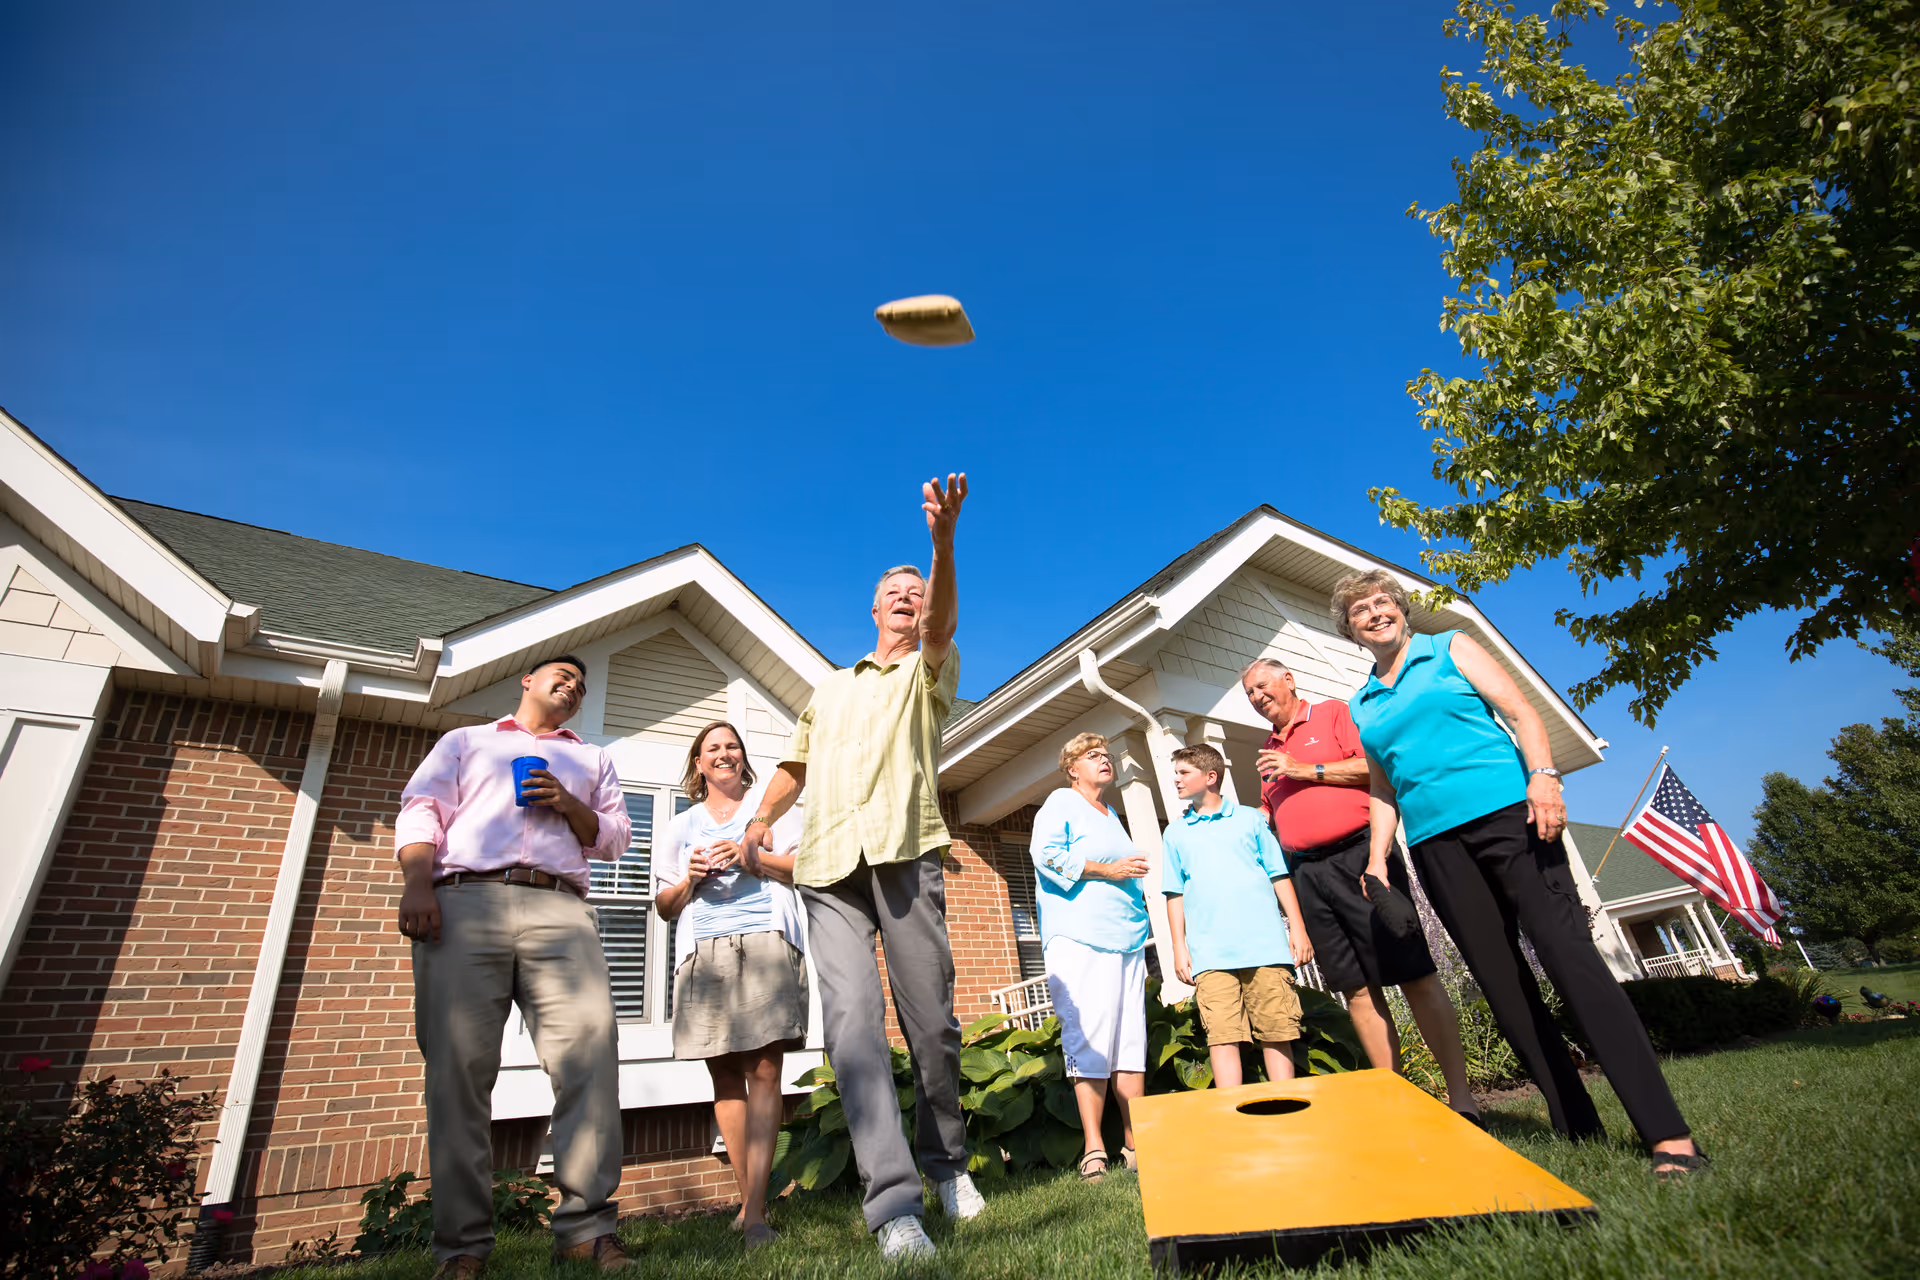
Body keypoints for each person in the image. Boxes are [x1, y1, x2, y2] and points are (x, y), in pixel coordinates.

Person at [1336, 569, 1707, 1178]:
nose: (1375, 614)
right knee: (1503, 984)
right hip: (1435, 846)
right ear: (1349, 629)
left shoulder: (1450, 647)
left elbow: (1520, 712)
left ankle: (1668, 1136)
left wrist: (1544, 777)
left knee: (1570, 960)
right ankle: (1576, 1126)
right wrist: (1378, 857)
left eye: (1383, 603)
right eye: (1360, 611)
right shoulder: (1363, 702)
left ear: (1401, 610)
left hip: (1511, 817)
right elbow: (1382, 785)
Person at [739, 475, 981, 1260]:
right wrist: (763, 814)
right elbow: (797, 761)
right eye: (895, 591)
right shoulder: (830, 688)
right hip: (828, 864)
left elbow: (943, 622)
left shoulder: (928, 671)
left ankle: (946, 1163)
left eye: (917, 589)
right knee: (851, 1032)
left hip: (906, 851)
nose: (909, 598)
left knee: (932, 1028)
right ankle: (894, 1204)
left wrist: (942, 542)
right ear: (873, 611)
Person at [394, 656, 635, 1280]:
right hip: (465, 899)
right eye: (561, 674)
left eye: (581, 683)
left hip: (559, 906)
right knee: (458, 1070)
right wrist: (418, 883)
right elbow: (422, 809)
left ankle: (586, 1229)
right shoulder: (466, 742)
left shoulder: (592, 760)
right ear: (526, 681)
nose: (573, 684)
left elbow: (613, 838)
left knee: (589, 1056)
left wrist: (566, 801)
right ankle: (463, 1245)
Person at [1240, 658, 1481, 1124]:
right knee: (1356, 990)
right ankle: (1398, 1104)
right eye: (1249, 693)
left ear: (1289, 679)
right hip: (1308, 875)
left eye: (1262, 686)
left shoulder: (1333, 714)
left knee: (1414, 976)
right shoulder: (1269, 748)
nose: (1257, 697)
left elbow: (1374, 771)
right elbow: (1273, 811)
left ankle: (1462, 1100)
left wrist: (1303, 768)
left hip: (1362, 857)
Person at [655, 721, 809, 1251]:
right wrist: (691, 878)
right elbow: (664, 906)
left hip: (767, 938)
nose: (723, 754)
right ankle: (752, 1205)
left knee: (764, 1070)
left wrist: (753, 857)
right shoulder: (680, 827)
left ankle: (757, 1212)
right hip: (705, 950)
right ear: (698, 764)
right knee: (724, 1076)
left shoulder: (771, 811)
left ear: (744, 759)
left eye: (732, 746)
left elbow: (801, 870)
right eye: (712, 748)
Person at [1030, 732, 1152, 1182]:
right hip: (1080, 937)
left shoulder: (1112, 812)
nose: (1105, 761)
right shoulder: (1061, 802)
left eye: (1105, 755)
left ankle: (1136, 1141)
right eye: (1092, 756)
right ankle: (1094, 1147)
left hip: (1126, 936)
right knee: (1091, 1035)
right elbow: (1045, 854)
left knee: (1129, 1038)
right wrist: (1107, 869)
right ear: (1072, 768)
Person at [1160, 743, 1313, 1088]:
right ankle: (1235, 1120)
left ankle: (1286, 1106)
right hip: (1210, 955)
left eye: (1184, 773)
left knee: (1277, 1031)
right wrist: (1179, 948)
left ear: (1210, 777)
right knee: (1222, 1037)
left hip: (1266, 948)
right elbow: (1174, 894)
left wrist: (1298, 928)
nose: (1177, 780)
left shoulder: (1251, 820)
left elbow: (1279, 876)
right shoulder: (1175, 833)